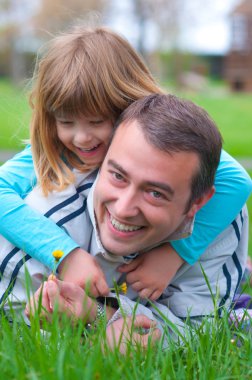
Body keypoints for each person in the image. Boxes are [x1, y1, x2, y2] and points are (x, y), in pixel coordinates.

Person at [0, 27, 251, 306]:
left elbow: (236, 180)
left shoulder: (157, 138)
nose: (81, 138)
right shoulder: (51, 150)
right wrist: (65, 254)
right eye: (66, 121)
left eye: (96, 121)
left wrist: (175, 254)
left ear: (127, 104)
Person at [26, 94, 249, 351]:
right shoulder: (48, 214)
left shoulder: (220, 219)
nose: (123, 209)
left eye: (155, 193)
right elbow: (19, 324)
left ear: (199, 202)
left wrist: (101, 316)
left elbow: (200, 333)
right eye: (118, 176)